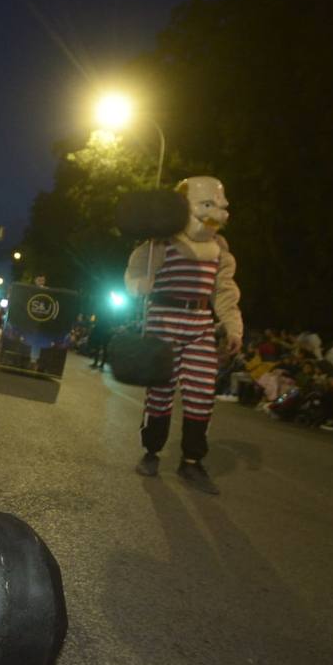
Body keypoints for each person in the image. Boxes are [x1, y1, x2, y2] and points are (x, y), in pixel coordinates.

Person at [125, 176, 244, 495]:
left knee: (202, 394)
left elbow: (225, 290)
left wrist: (232, 326)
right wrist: (140, 285)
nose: (217, 213)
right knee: (161, 392)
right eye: (208, 204)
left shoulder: (219, 249)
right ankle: (151, 452)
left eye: (221, 206)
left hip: (199, 322)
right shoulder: (160, 243)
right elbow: (136, 271)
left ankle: (192, 461)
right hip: (163, 320)